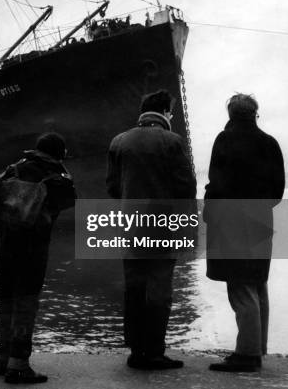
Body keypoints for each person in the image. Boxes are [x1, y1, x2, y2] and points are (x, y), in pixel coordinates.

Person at [106, 89, 196, 370]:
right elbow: (186, 187)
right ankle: (155, 352)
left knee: (134, 289)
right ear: (166, 112)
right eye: (171, 111)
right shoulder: (172, 141)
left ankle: (136, 351)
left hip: (131, 228)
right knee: (159, 290)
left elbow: (112, 187)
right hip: (162, 229)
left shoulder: (119, 141)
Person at [204, 94, 285, 372]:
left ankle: (247, 355)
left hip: (231, 223)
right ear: (255, 113)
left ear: (231, 113)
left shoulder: (225, 141)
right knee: (257, 283)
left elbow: (216, 184)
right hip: (261, 222)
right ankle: (257, 347)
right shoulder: (270, 143)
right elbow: (278, 191)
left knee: (240, 287)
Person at [0, 132, 76, 384]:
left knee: (6, 300)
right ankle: (18, 366)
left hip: (7, 247)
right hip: (33, 250)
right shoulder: (54, 178)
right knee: (26, 303)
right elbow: (71, 199)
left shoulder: (10, 172)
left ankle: (2, 359)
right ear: (59, 153)